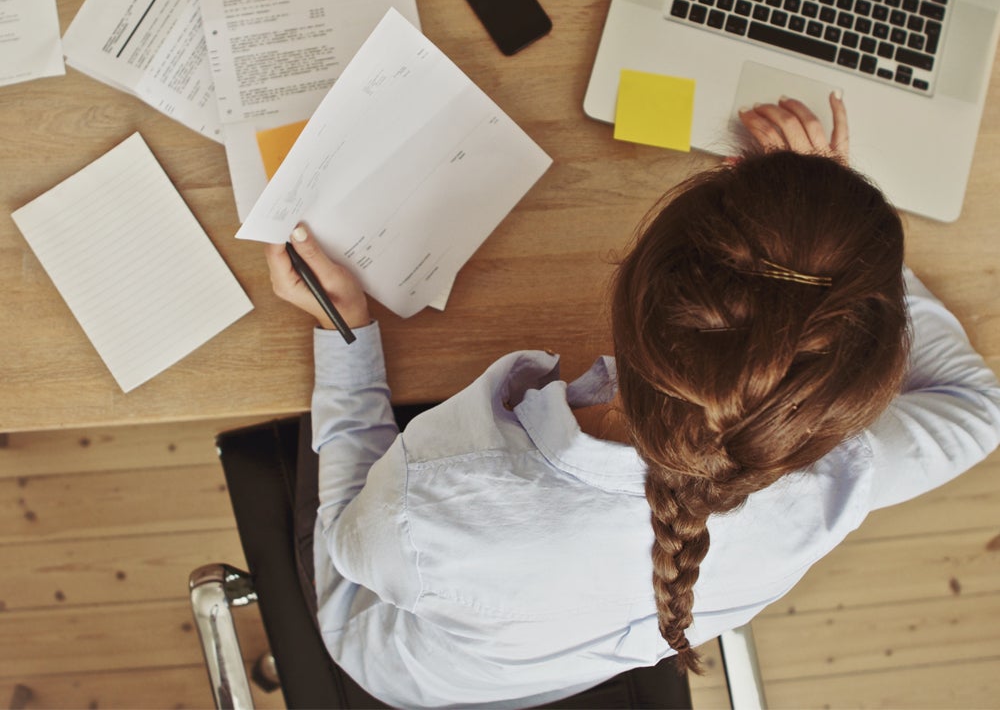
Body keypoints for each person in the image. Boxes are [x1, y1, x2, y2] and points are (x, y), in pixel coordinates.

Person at [264, 95, 1000, 709]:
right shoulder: (837, 484)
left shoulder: (430, 500)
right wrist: (839, 249)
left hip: (392, 660)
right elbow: (979, 410)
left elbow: (348, 548)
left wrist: (349, 335)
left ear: (630, 280)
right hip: (568, 662)